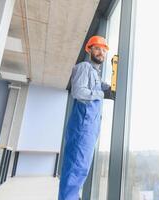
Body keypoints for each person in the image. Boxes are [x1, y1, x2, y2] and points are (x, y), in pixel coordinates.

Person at [58, 35, 114, 200]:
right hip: (82, 127)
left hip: (89, 128)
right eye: (97, 48)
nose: (101, 52)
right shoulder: (84, 67)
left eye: (103, 50)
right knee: (75, 168)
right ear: (89, 49)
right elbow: (78, 92)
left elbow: (104, 88)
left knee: (80, 169)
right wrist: (102, 94)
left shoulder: (95, 74)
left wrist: (110, 89)